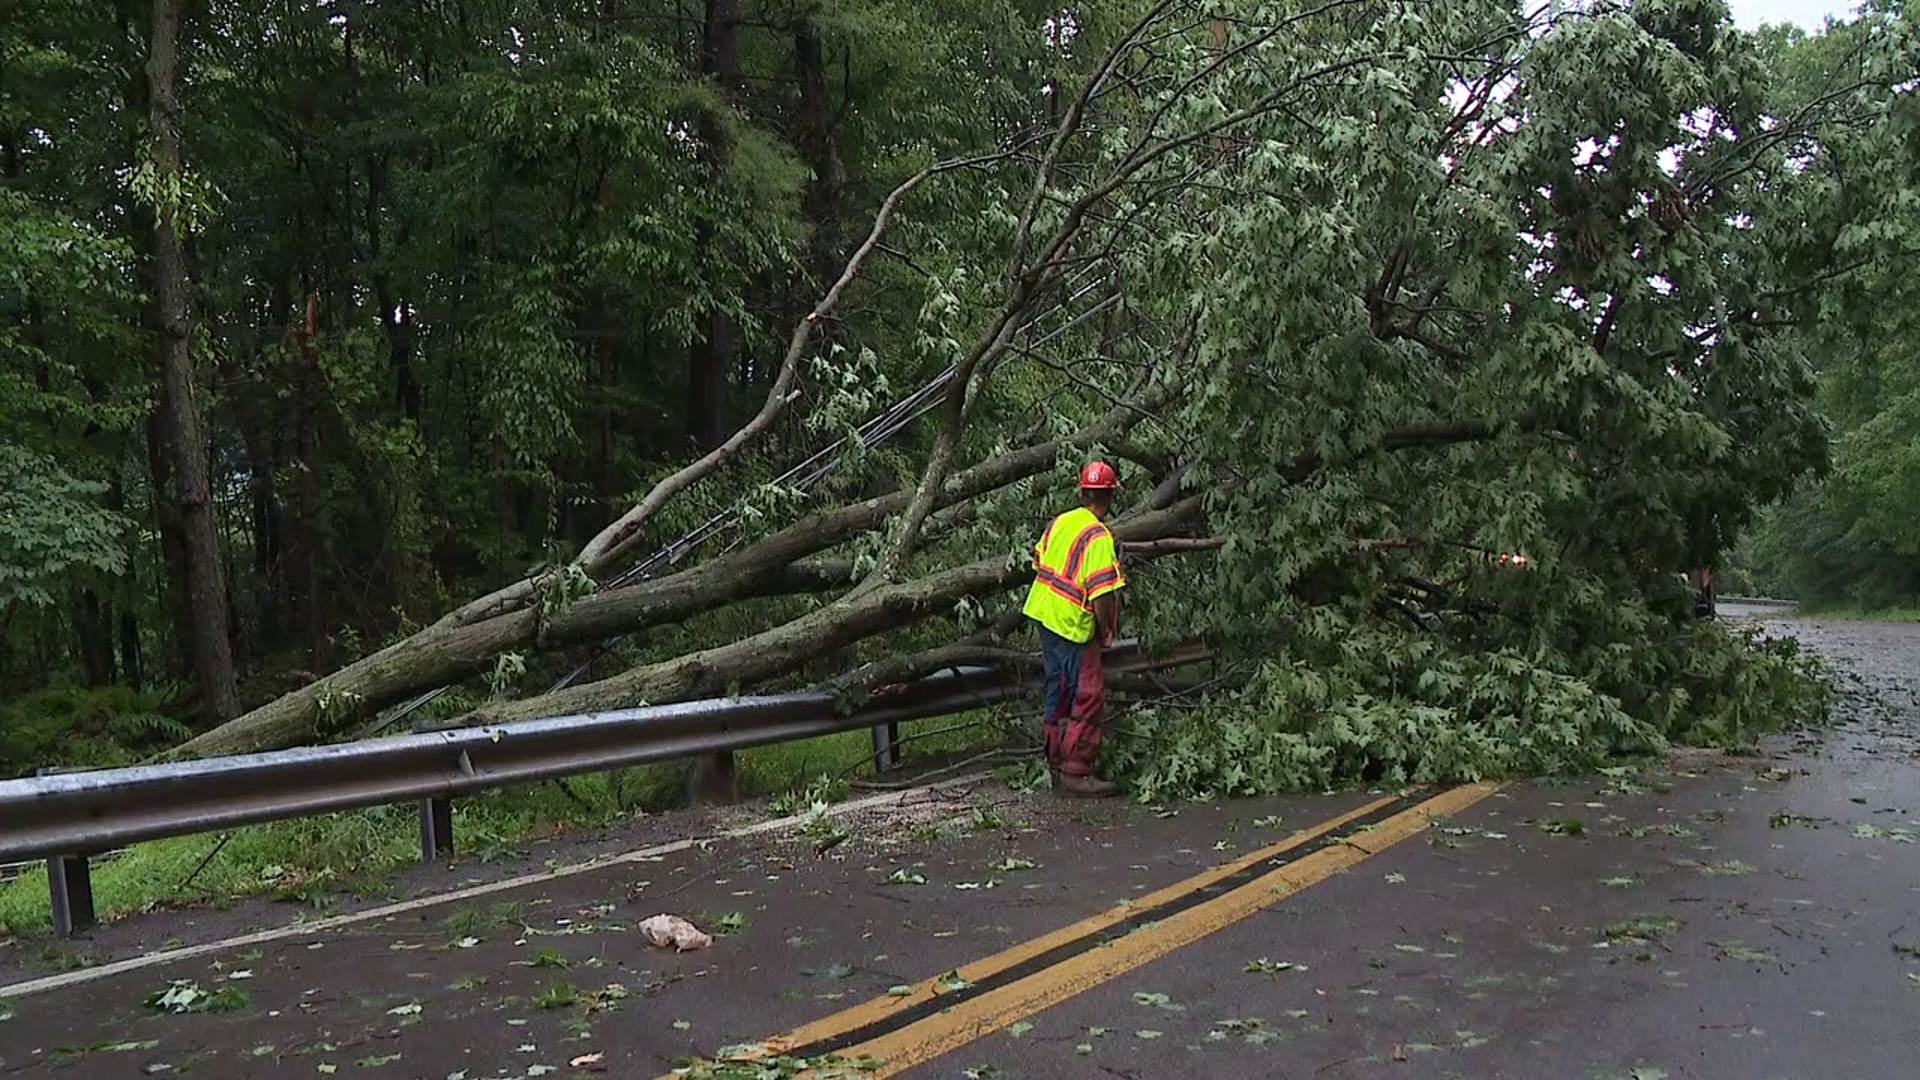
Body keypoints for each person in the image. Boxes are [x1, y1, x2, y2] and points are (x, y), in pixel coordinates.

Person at [1022, 461, 1126, 797]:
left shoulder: (1061, 521)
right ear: (1110, 495)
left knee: (1059, 689)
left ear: (1082, 491)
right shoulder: (1098, 537)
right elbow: (1103, 593)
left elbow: (1039, 562)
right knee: (1088, 694)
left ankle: (1055, 762)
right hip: (1072, 626)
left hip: (1045, 615)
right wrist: (1106, 629)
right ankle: (1077, 772)